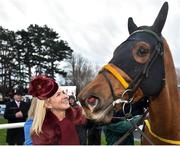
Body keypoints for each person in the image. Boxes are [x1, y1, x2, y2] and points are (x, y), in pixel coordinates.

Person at [28, 75, 85, 145]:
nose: (66, 96)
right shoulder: (42, 133)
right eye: (58, 94)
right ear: (48, 104)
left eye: (63, 92)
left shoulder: (78, 117)